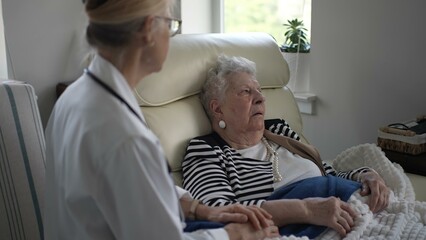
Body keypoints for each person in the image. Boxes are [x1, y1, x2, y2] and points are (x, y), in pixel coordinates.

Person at [44, 1, 280, 239]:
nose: (172, 36)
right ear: (149, 30)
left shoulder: (72, 99)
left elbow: (131, 192)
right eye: (171, 25)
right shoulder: (125, 136)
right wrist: (233, 235)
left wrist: (200, 210)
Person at [182, 55, 391, 238]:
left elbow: (328, 175)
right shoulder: (205, 151)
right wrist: (306, 209)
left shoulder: (279, 131)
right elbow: (218, 213)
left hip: (351, 211)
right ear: (217, 109)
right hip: (304, 229)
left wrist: (365, 176)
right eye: (246, 92)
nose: (261, 98)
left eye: (259, 90)